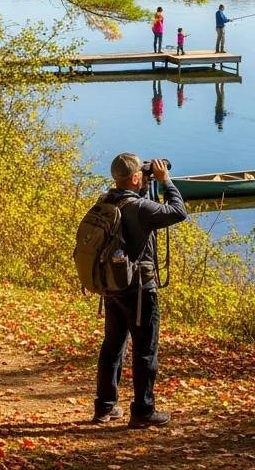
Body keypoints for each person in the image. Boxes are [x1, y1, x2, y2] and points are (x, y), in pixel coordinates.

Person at [93, 153, 186, 429]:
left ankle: (105, 407)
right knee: (145, 350)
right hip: (139, 290)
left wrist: (145, 185)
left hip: (113, 285)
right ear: (135, 177)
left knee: (113, 346)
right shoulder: (141, 208)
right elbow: (179, 212)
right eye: (142, 173)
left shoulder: (107, 200)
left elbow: (134, 214)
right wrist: (166, 181)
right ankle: (143, 411)